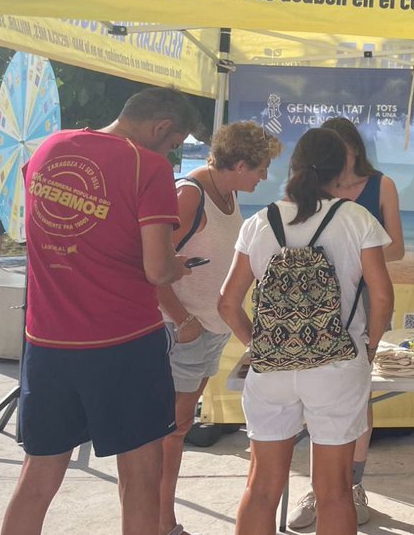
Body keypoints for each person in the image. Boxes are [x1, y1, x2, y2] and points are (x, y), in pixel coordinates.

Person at [1, 88, 200, 535]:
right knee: (141, 476)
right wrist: (177, 266)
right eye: (173, 144)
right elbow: (157, 269)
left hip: (48, 342)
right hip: (123, 342)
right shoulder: (148, 167)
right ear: (162, 126)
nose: (170, 155)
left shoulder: (49, 148)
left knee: (38, 474)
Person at [218, 128, 394, 534]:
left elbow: (227, 304)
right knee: (334, 492)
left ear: (293, 166)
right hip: (337, 366)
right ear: (342, 170)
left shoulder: (260, 222)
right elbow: (383, 297)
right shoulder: (356, 219)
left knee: (261, 488)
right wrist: (369, 348)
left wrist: (261, 347)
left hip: (271, 372)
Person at [156, 121, 283, 535]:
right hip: (182, 331)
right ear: (240, 164)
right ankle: (161, 523)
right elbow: (152, 266)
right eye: (261, 168)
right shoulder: (190, 195)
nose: (265, 176)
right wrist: (183, 320)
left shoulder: (228, 194)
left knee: (177, 431)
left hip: (208, 330)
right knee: (169, 435)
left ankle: (160, 520)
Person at [286, 116, 404, 528]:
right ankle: (318, 487)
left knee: (358, 393)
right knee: (314, 392)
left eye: (341, 149)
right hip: (313, 299)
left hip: (365, 297)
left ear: (354, 149)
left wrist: (356, 255)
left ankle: (353, 483)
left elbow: (396, 249)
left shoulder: (381, 185)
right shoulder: (314, 187)